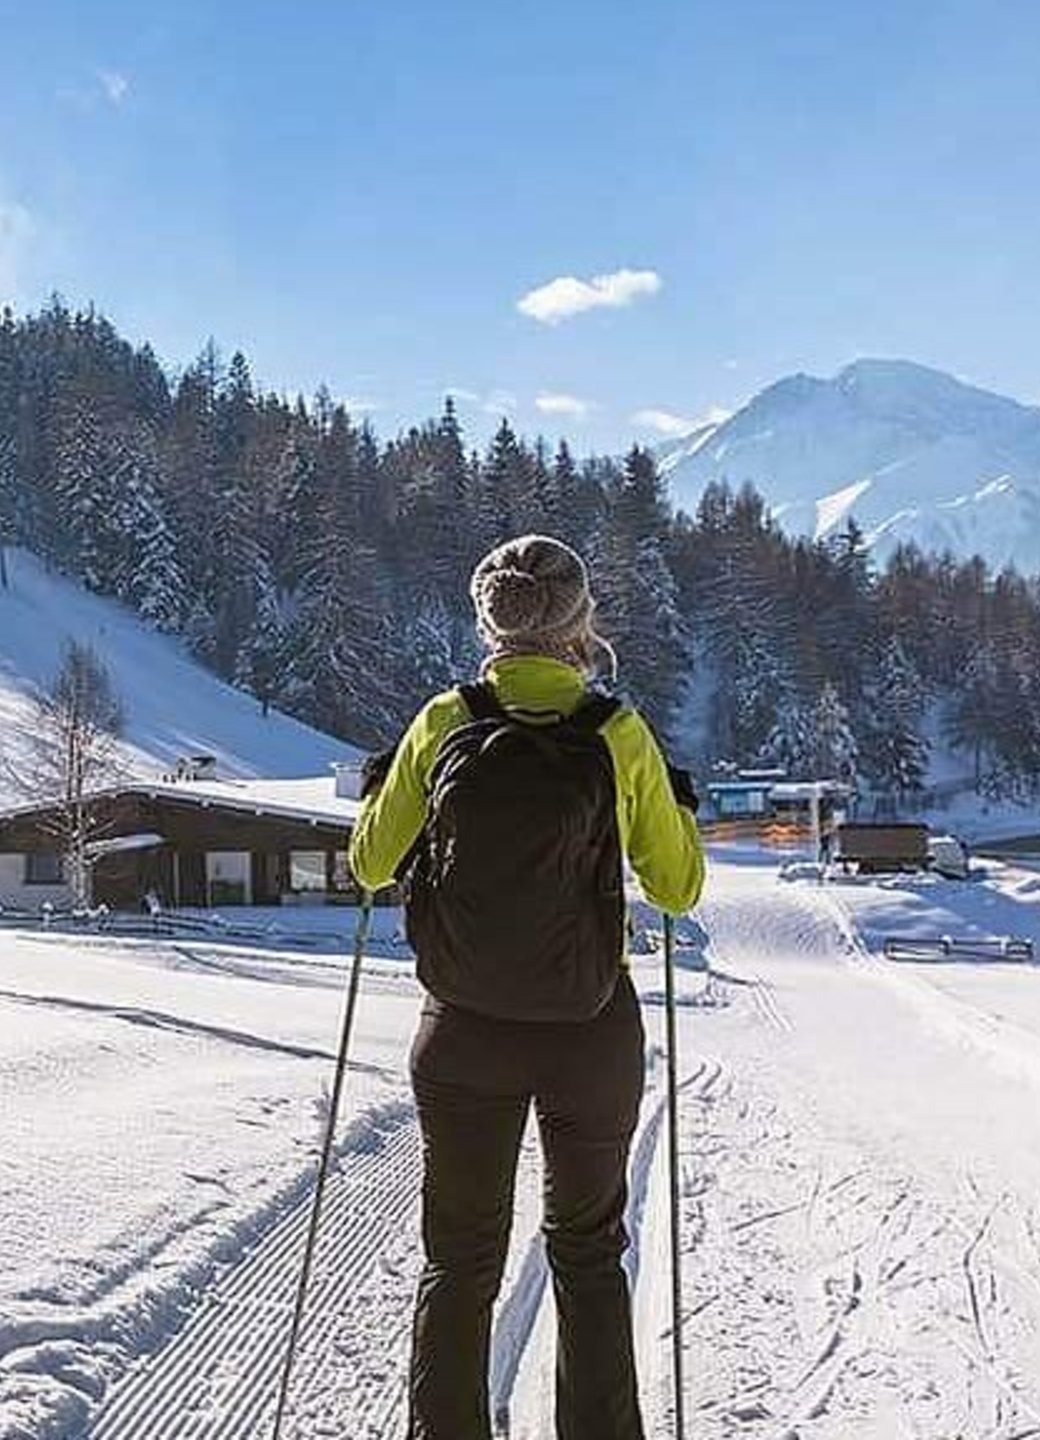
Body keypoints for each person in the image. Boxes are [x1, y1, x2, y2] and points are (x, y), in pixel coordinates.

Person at [349, 534, 704, 1440]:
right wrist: (675, 809)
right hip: (589, 1028)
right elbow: (677, 888)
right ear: (582, 621)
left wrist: (385, 792)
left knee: (460, 1261)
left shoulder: (444, 721)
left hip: (463, 1031)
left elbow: (369, 864)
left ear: (489, 622)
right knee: (587, 1253)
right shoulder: (615, 732)